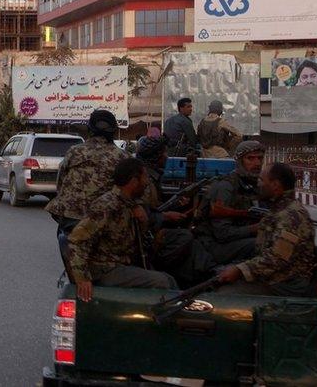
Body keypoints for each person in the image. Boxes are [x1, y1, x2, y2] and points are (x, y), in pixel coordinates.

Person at [69, 158, 179, 302]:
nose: (146, 183)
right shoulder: (107, 206)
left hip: (121, 265)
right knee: (162, 282)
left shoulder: (129, 204)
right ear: (133, 181)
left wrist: (143, 221)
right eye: (144, 177)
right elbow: (77, 241)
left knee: (169, 278)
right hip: (106, 269)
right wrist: (82, 278)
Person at [217, 163, 317, 296]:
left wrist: (240, 270)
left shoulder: (291, 215)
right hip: (275, 278)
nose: (258, 184)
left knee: (220, 297)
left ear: (275, 185)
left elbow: (277, 259)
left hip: (285, 284)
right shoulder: (278, 210)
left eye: (261, 180)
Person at [46, 109, 127, 269]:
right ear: (114, 131)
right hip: (104, 224)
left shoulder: (74, 152)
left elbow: (60, 184)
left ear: (90, 130)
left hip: (70, 220)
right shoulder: (122, 157)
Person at [136, 136, 217, 287]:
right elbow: (142, 213)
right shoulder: (144, 181)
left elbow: (155, 207)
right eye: (163, 154)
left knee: (192, 240)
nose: (166, 157)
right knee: (184, 237)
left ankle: (206, 272)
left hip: (154, 227)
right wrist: (165, 216)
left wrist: (176, 206)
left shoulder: (152, 176)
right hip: (145, 236)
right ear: (156, 157)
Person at [195, 140, 265, 265]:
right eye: (250, 158)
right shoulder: (226, 187)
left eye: (260, 158)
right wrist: (253, 229)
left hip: (235, 241)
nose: (257, 163)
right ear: (240, 161)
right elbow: (222, 234)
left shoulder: (254, 185)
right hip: (214, 246)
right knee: (261, 242)